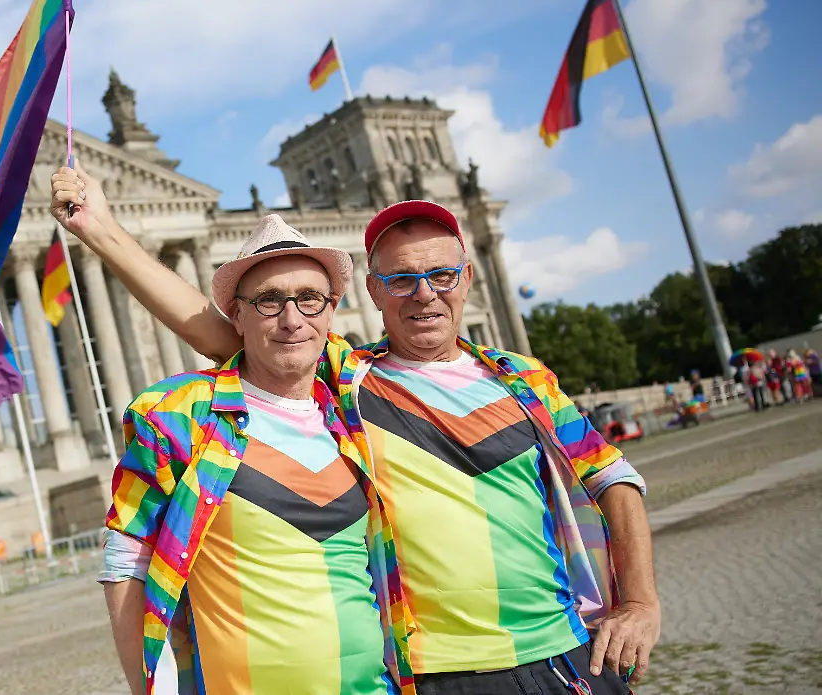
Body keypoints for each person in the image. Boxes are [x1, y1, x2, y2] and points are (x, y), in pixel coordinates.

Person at [53, 164, 658, 692]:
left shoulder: (524, 380)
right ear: (372, 292)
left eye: (442, 276)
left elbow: (612, 475)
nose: (424, 294)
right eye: (401, 280)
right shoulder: (350, 383)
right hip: (430, 674)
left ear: (465, 279)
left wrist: (639, 602)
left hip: (567, 654)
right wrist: (100, 230)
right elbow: (230, 335)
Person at [98, 214, 413, 695]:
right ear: (238, 317)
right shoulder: (179, 416)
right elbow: (127, 564)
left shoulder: (355, 406)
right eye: (268, 301)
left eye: (309, 298)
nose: (292, 319)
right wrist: (99, 227)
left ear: (331, 312)